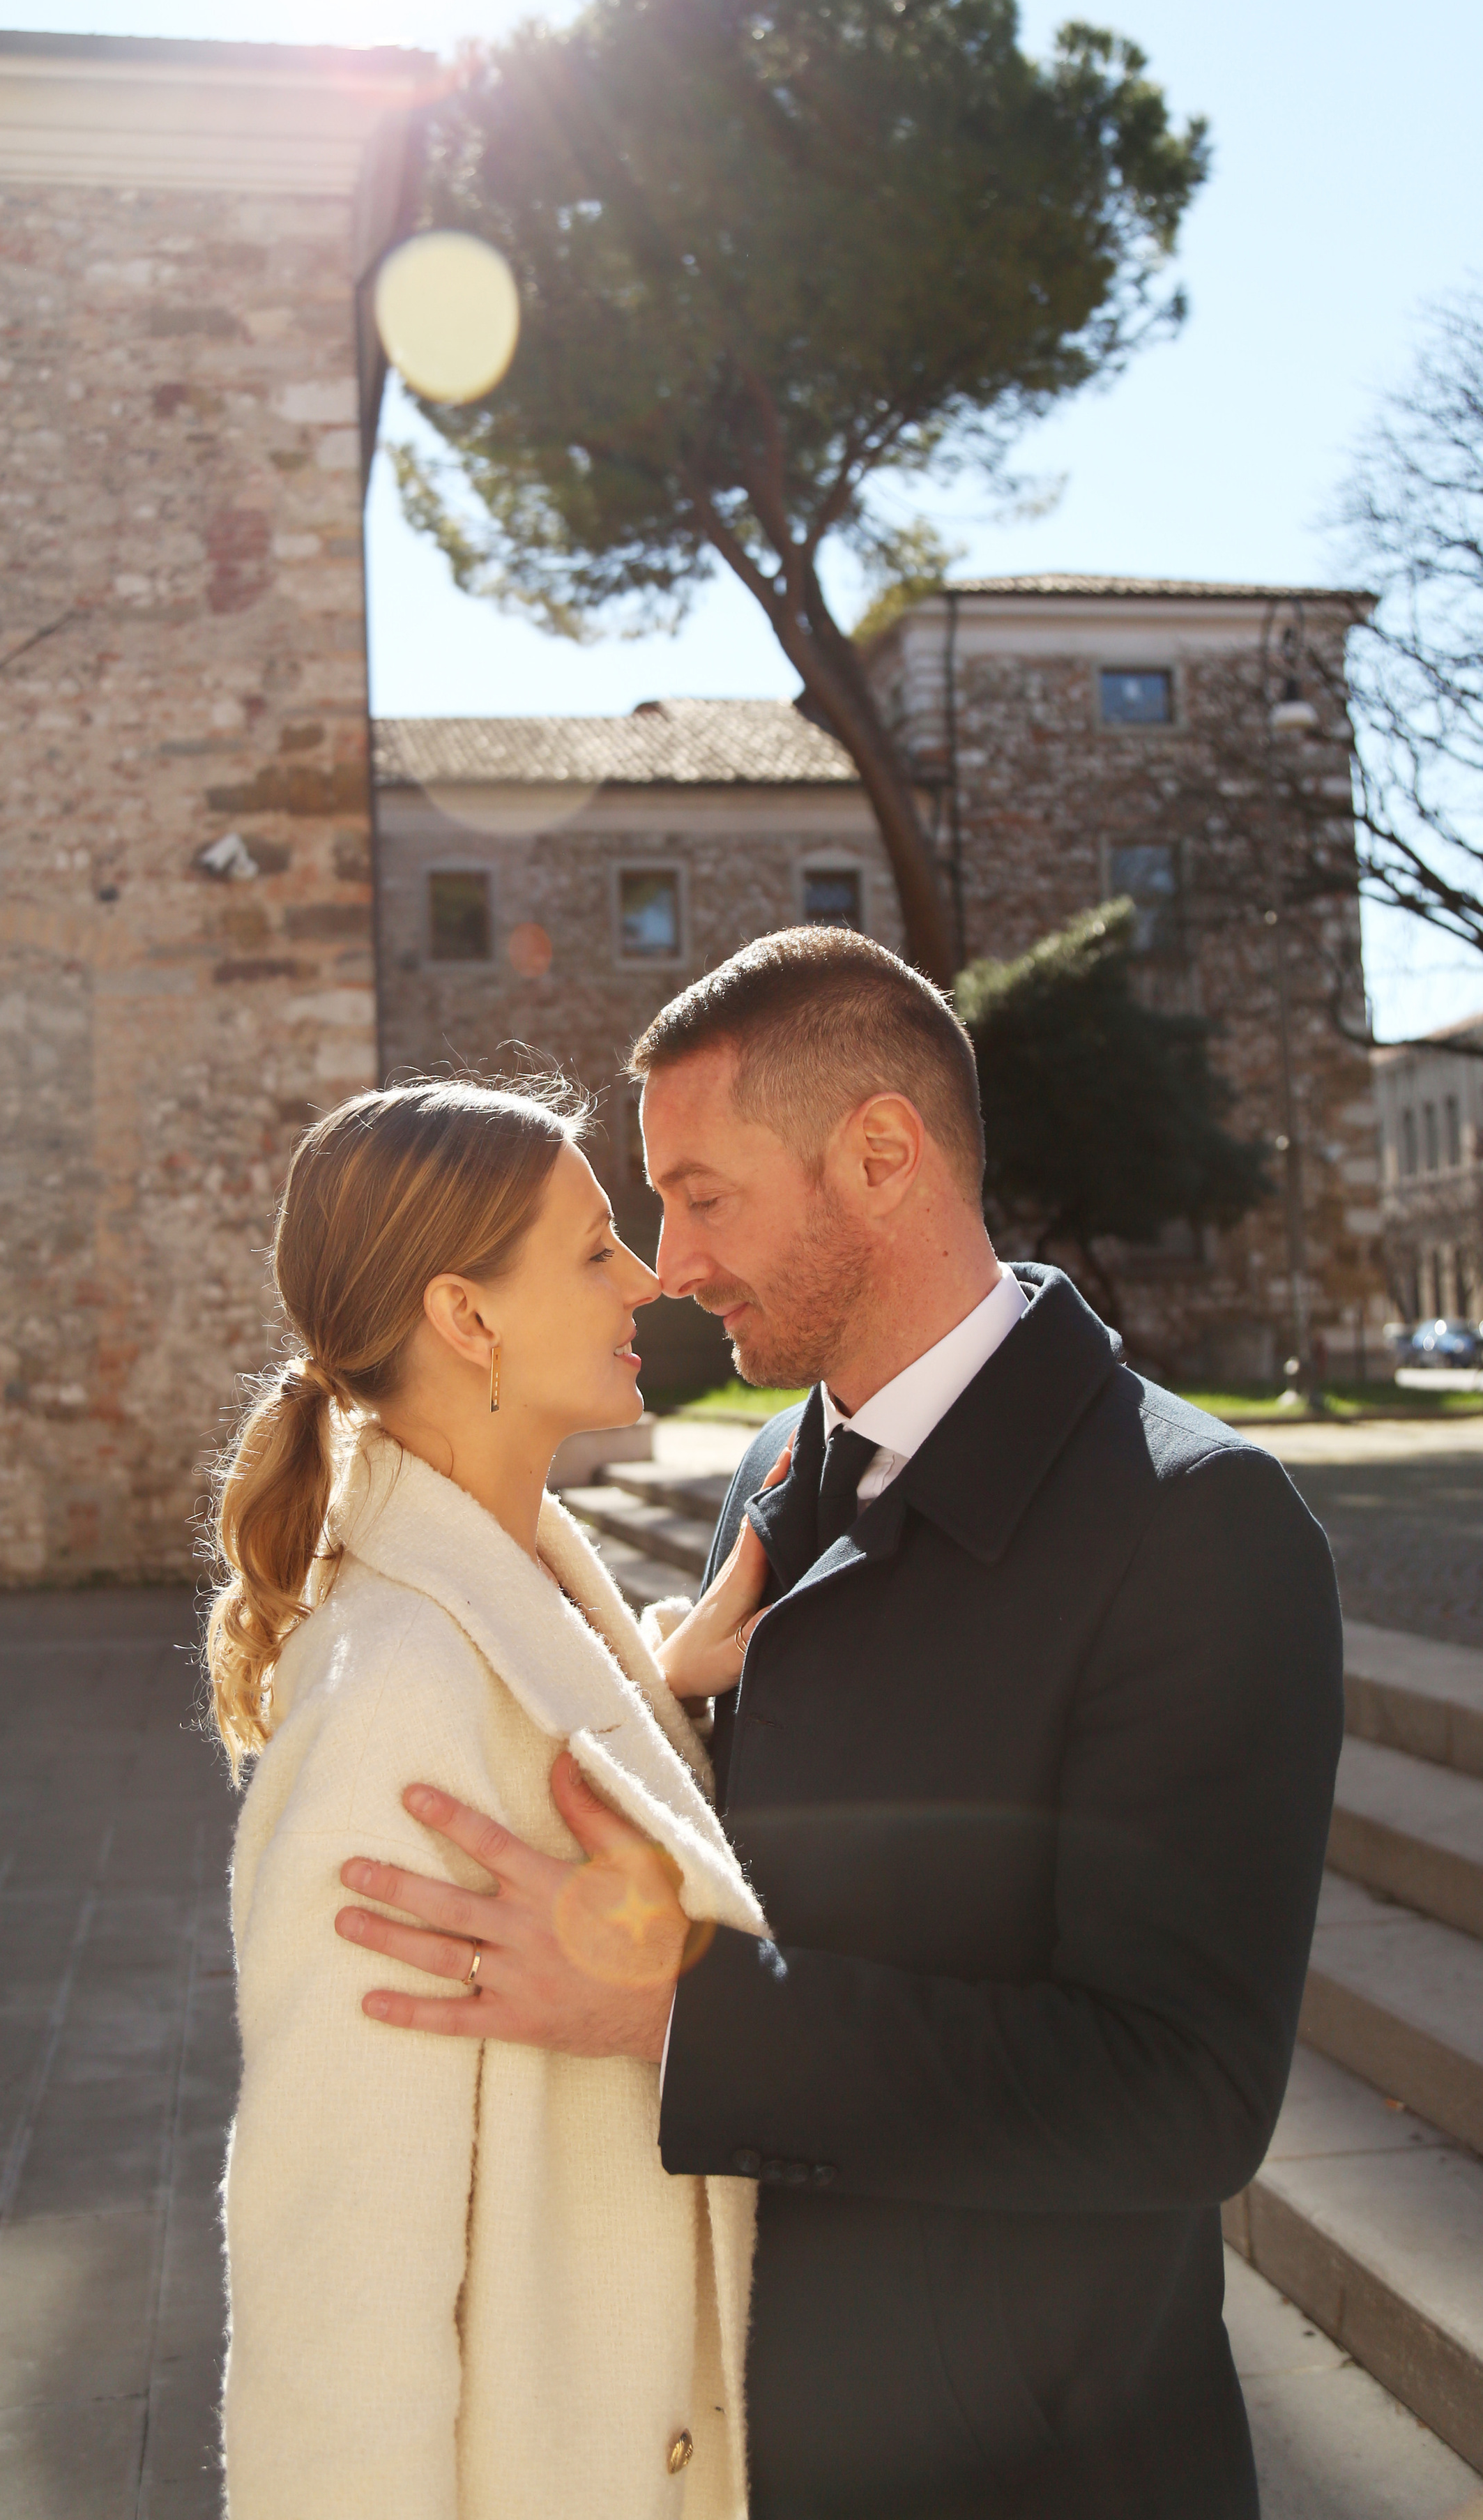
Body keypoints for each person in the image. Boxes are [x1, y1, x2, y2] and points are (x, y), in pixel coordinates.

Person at [340, 930, 1345, 2520]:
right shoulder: (765, 1482)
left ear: (881, 1155)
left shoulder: (1198, 1529)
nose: (667, 1263)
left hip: (1042, 2474)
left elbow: (1179, 2093)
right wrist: (657, 1709)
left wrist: (678, 2013)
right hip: (754, 2440)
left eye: (704, 1195)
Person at [210, 1077, 784, 2520]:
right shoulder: (390, 1694)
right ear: (466, 1319)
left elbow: (528, 1715)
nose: (646, 1279)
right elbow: (333, 2291)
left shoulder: (529, 1576)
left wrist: (656, 1682)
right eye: (596, 1250)